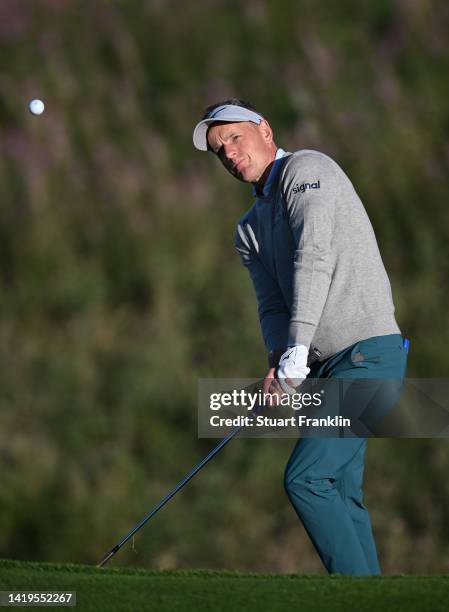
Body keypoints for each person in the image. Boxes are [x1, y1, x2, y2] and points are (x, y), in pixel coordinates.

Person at [192, 98, 408, 575]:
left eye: (233, 137)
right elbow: (272, 304)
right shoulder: (247, 230)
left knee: (307, 479)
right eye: (217, 149)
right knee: (339, 489)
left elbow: (313, 255)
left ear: (264, 130)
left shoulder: (307, 170)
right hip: (332, 366)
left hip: (370, 355)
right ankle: (373, 599)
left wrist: (294, 361)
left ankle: (353, 600)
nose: (227, 153)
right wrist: (278, 358)